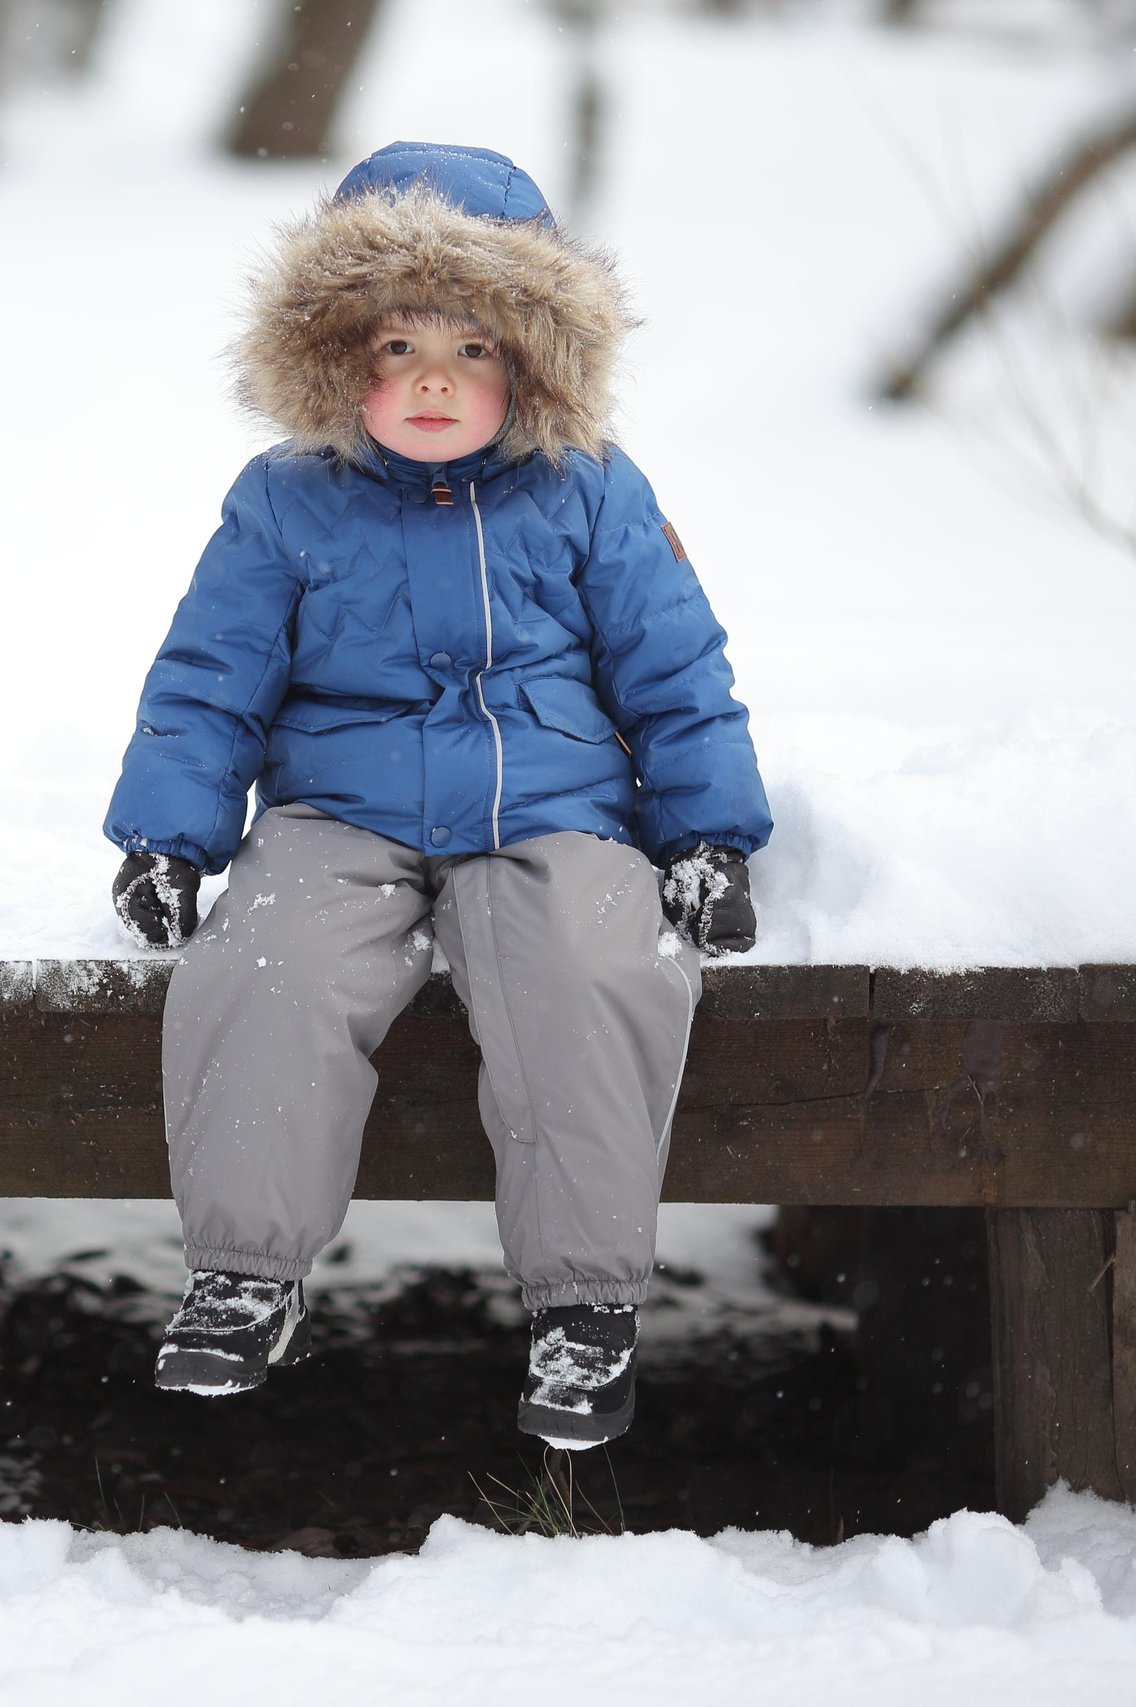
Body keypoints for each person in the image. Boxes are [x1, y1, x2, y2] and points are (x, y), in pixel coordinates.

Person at [102, 141, 770, 1450]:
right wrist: (168, 839)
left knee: (589, 973)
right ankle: (245, 1274)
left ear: (532, 361)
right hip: (337, 820)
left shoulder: (590, 494)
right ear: (336, 356)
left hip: (554, 816)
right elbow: (209, 681)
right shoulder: (289, 501)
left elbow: (676, 672)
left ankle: (585, 1309)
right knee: (268, 969)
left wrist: (704, 835)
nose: (429, 382)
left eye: (471, 349)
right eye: (395, 348)